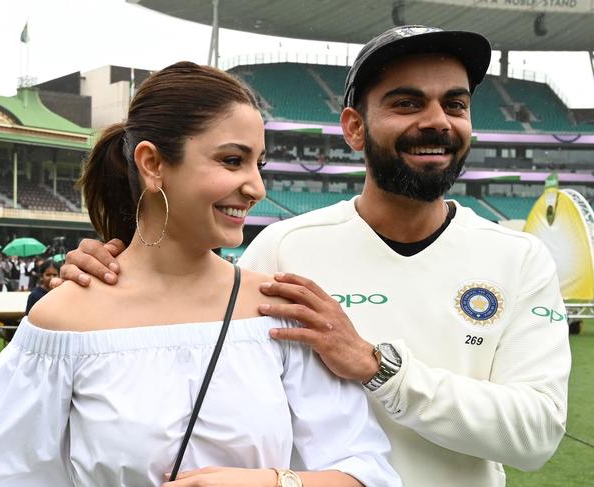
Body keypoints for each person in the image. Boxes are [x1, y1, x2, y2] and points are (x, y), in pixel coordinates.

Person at [59, 26, 571, 487]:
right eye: (407, 104)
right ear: (353, 128)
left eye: (455, 104)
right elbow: (186, 350)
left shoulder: (520, 257)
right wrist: (113, 279)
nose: (437, 121)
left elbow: (536, 434)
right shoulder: (285, 248)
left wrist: (378, 368)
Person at [0, 62, 399, 487]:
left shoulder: (277, 311)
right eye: (231, 160)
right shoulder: (63, 323)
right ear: (153, 163)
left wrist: (272, 481)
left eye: (257, 164)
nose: (256, 187)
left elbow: (364, 468)